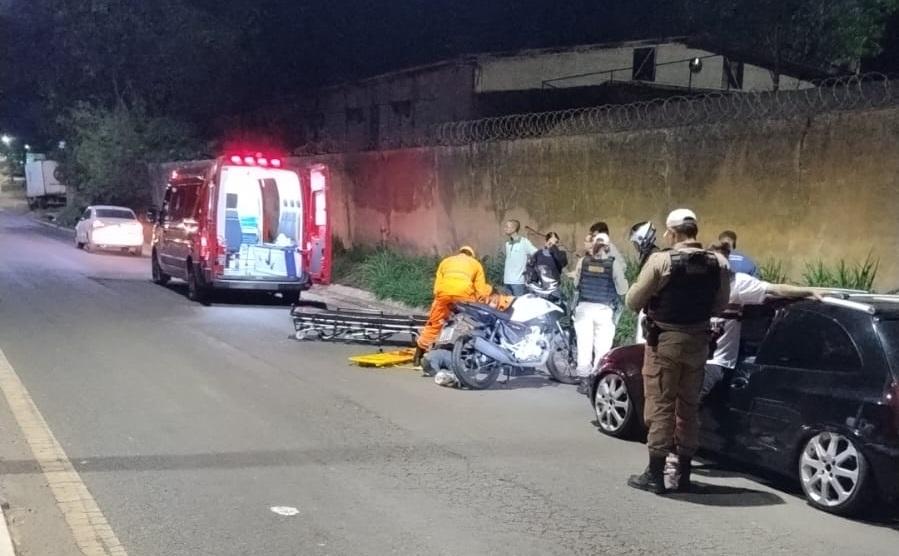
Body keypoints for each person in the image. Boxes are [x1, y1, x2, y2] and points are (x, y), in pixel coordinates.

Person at [624, 208, 731, 494]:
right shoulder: (717, 262)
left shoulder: (661, 261)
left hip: (665, 342)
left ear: (672, 233)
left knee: (661, 405)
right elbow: (720, 305)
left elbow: (633, 301)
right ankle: (683, 475)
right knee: (688, 407)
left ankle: (655, 475)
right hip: (698, 343)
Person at [700, 241, 821, 400]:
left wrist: (807, 291)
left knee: (686, 410)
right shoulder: (698, 284)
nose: (721, 267)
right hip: (692, 358)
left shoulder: (738, 284)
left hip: (715, 362)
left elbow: (775, 289)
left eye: (724, 263)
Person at [415, 246, 492, 365]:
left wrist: (439, 303)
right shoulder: (475, 264)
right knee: (468, 323)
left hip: (444, 294)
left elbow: (437, 287)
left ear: (459, 253)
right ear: (471, 255)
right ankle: (462, 353)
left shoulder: (446, 261)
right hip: (464, 295)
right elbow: (481, 291)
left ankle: (419, 354)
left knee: (434, 323)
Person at [571, 233, 628, 381]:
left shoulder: (583, 261)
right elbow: (623, 289)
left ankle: (583, 378)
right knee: (602, 347)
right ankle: (596, 379)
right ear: (607, 246)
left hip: (583, 308)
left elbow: (576, 284)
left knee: (584, 344)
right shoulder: (613, 264)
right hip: (604, 310)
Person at [503, 220, 537, 296]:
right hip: (507, 280)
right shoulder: (507, 244)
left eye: (507, 227)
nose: (505, 228)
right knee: (508, 305)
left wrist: (530, 268)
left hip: (518, 282)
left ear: (514, 229)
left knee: (519, 305)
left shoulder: (524, 242)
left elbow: (536, 253)